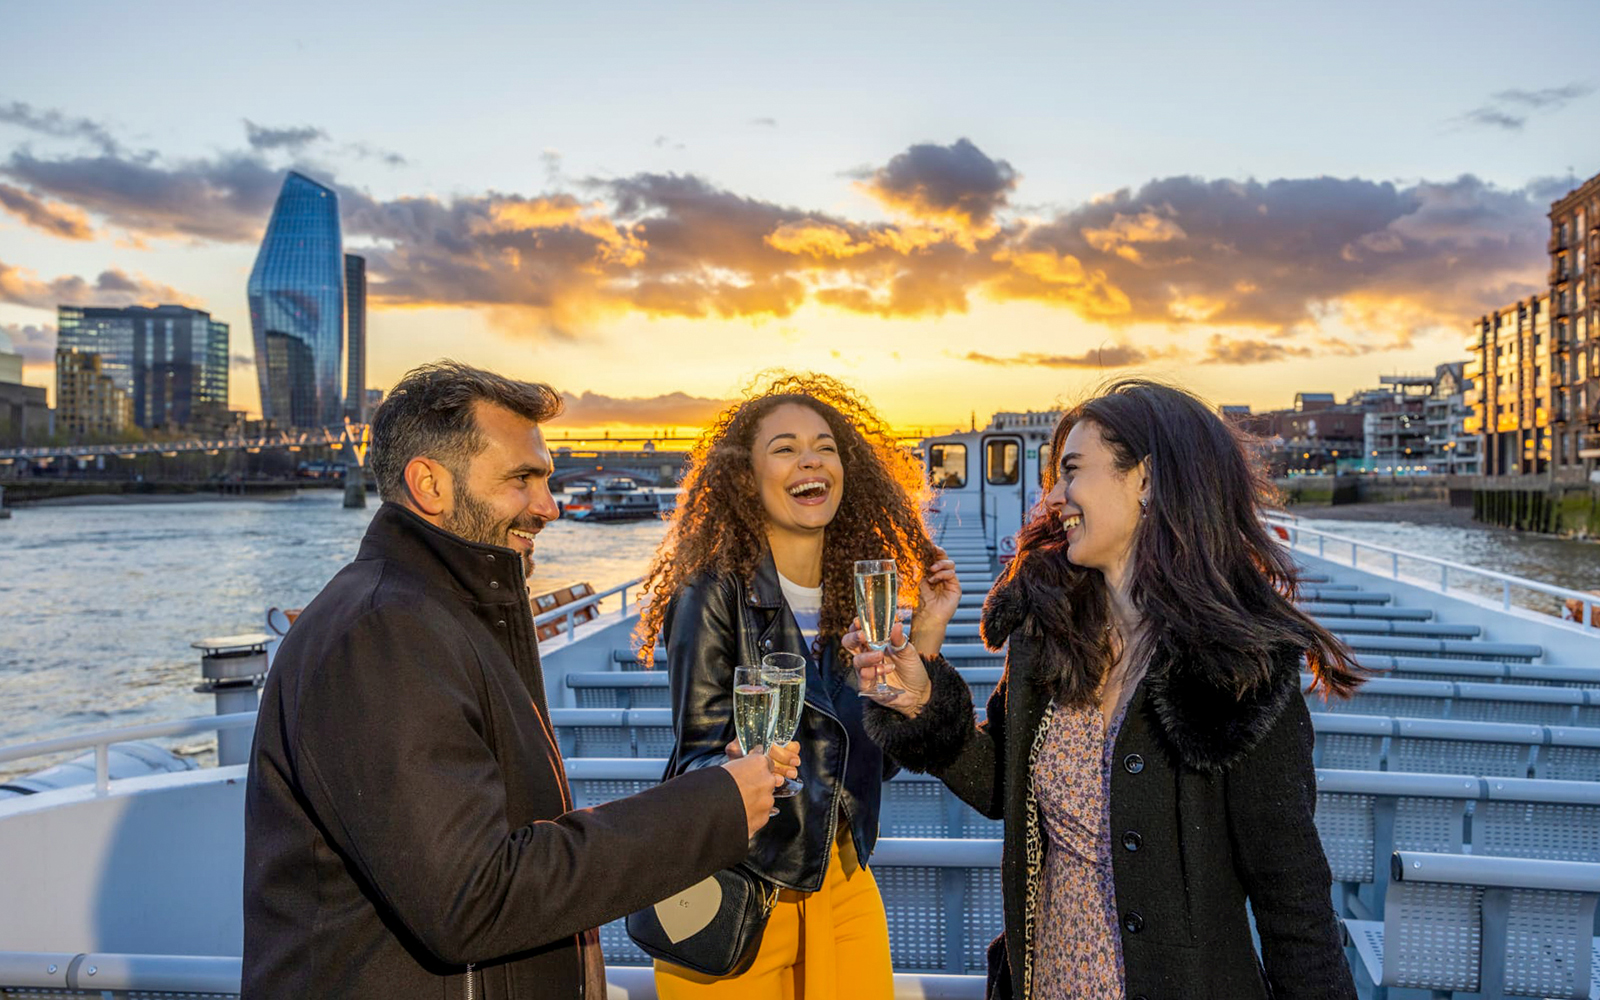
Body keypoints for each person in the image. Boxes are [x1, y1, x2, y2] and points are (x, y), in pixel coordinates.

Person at [242, 361, 782, 1000]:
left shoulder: (442, 616)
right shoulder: (383, 633)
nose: (549, 506)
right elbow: (471, 899)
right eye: (522, 479)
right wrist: (711, 808)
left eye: (546, 479)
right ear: (429, 484)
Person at [852, 379, 1363, 1000]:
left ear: (1145, 479)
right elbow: (1004, 785)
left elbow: (1295, 908)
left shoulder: (1237, 670)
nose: (1057, 497)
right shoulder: (1050, 635)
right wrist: (921, 702)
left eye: (1072, 471)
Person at [634, 373, 962, 1000]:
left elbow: (875, 769)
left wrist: (921, 643)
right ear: (744, 479)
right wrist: (744, 766)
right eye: (784, 448)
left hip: (841, 880)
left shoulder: (855, 603)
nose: (810, 458)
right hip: (743, 888)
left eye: (825, 446)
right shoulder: (710, 593)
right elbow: (698, 751)